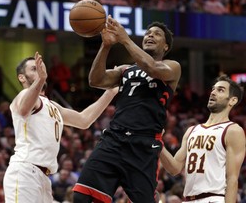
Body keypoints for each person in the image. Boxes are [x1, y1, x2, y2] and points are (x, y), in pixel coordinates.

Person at [73, 16, 181, 203]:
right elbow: (96, 80)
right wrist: (105, 46)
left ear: (165, 47)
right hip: (113, 139)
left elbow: (152, 67)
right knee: (82, 197)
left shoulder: (172, 66)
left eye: (157, 34)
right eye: (148, 33)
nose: (150, 35)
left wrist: (124, 39)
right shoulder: (126, 70)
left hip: (143, 145)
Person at [3, 52, 118, 203]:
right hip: (25, 171)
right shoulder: (23, 96)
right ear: (21, 77)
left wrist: (111, 92)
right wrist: (41, 79)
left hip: (43, 177)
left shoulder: (52, 105)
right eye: (33, 69)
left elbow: (84, 120)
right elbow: (24, 108)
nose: (38, 70)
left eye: (40, 68)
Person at [159, 75, 245, 203]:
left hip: (214, 198)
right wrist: (157, 141)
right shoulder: (191, 130)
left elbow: (232, 179)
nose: (213, 92)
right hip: (188, 199)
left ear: (232, 101)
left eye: (220, 90)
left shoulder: (233, 130)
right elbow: (174, 168)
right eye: (213, 89)